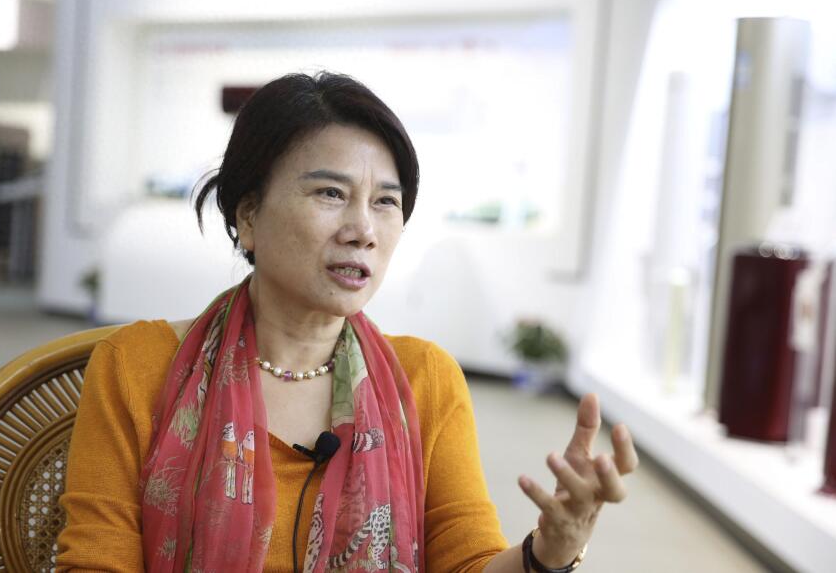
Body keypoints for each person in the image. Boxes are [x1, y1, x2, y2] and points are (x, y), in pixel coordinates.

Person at [56, 71, 638, 573]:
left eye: (385, 201)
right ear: (249, 216)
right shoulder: (137, 366)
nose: (363, 230)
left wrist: (550, 551)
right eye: (331, 193)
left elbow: (467, 562)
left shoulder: (426, 380)